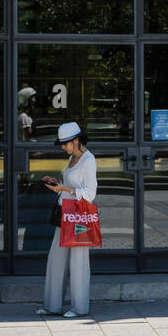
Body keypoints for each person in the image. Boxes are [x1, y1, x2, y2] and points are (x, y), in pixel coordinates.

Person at [37, 121, 97, 317]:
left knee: (78, 261)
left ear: (76, 140)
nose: (63, 147)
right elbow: (72, 184)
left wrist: (65, 189)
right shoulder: (72, 158)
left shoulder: (88, 160)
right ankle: (52, 306)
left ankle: (79, 308)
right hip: (65, 214)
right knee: (56, 259)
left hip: (78, 216)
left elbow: (90, 193)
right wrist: (58, 184)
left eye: (65, 143)